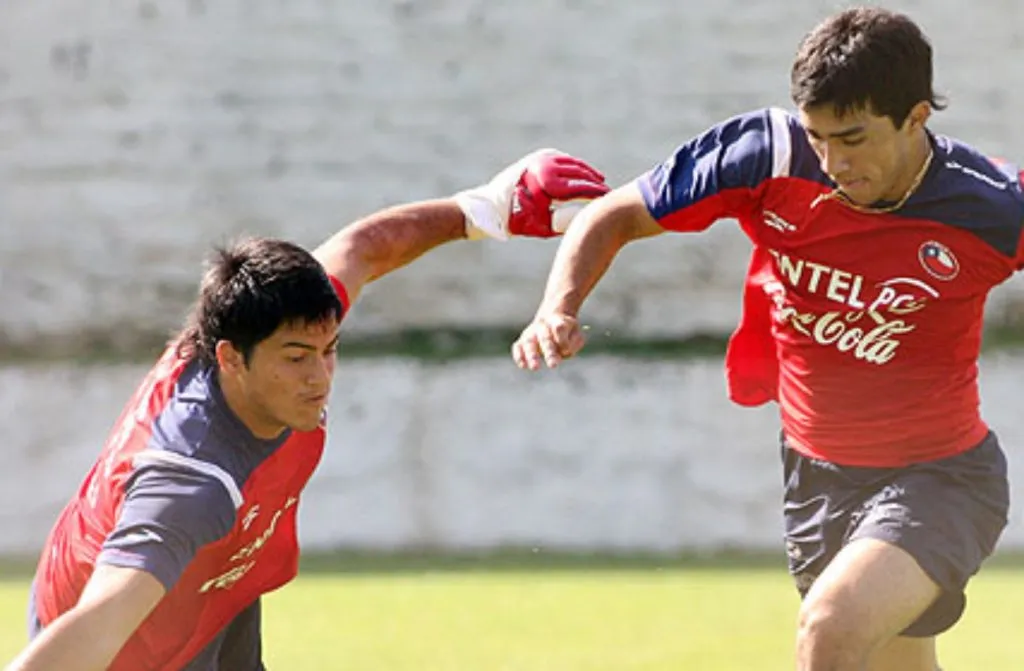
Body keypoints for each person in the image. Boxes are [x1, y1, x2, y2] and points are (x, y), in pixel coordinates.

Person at [512, 7, 1023, 671]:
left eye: (853, 139)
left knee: (830, 626)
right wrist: (557, 307)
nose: (834, 162)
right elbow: (615, 215)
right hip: (816, 476)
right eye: (819, 137)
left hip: (942, 479)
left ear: (916, 116)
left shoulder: (992, 206)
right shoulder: (767, 154)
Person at [5, 149, 608, 671]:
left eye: (329, 350)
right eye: (297, 358)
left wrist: (487, 208)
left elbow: (362, 249)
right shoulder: (190, 484)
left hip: (215, 587)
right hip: (128, 647)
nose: (319, 377)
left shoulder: (270, 321)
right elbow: (102, 619)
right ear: (230, 358)